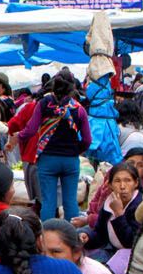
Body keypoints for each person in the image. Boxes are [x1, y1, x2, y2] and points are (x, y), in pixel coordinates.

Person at [27, 71, 93, 222]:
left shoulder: (43, 104)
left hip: (47, 159)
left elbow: (31, 130)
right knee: (70, 202)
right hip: (70, 160)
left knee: (48, 203)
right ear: (72, 88)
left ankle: (47, 238)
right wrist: (77, 150)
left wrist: (18, 137)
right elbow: (88, 140)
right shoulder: (78, 109)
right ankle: (72, 238)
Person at [79, 160, 142, 265]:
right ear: (110, 185)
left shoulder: (140, 206)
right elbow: (100, 233)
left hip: (133, 254)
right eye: (117, 181)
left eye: (128, 181)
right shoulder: (109, 203)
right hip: (112, 249)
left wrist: (119, 214)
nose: (122, 186)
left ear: (136, 183)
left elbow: (131, 242)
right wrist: (88, 236)